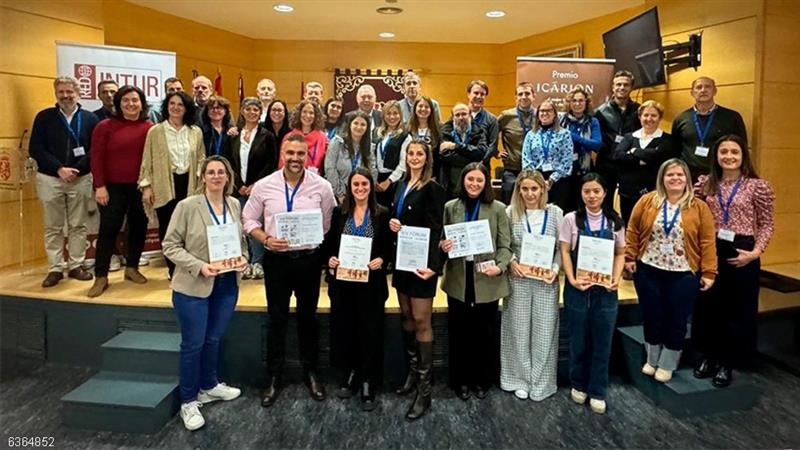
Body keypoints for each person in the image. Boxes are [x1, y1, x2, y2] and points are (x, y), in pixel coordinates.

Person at [242, 134, 337, 406]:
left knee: (308, 319)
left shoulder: (322, 187)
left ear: (307, 156)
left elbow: (327, 223)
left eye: (301, 154)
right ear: (283, 154)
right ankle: (274, 376)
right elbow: (248, 218)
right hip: (276, 261)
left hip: (308, 261)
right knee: (277, 319)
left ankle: (311, 373)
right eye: (290, 153)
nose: (295, 158)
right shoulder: (264, 186)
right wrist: (265, 239)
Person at [161, 155, 247, 431]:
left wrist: (243, 258)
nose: (216, 176)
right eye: (211, 172)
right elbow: (170, 246)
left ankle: (209, 386)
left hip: (226, 284)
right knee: (193, 344)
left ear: (228, 176)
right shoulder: (187, 206)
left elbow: (240, 241)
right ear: (203, 177)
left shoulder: (234, 204)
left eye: (221, 172)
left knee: (213, 339)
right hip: (193, 285)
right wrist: (200, 266)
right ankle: (188, 400)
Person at [625, 158, 717, 383]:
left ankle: (668, 362)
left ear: (687, 179)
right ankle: (652, 358)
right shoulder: (648, 201)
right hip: (649, 268)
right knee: (651, 315)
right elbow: (633, 230)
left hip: (684, 273)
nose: (675, 178)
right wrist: (629, 257)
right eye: (670, 175)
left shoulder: (699, 207)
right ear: (662, 178)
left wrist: (709, 272)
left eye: (679, 175)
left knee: (676, 319)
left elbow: (707, 241)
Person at [692, 135, 774, 387]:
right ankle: (708, 356)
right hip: (712, 248)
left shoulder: (757, 186)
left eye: (734, 152)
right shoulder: (706, 184)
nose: (729, 156)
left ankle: (727, 362)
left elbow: (767, 224)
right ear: (716, 155)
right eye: (724, 151)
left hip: (742, 251)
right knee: (708, 307)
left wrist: (755, 252)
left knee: (735, 309)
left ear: (743, 156)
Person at [440, 162, 511, 400]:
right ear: (463, 181)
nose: (474, 184)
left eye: (479, 180)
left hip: (486, 277)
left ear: (486, 182)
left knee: (484, 331)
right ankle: (460, 380)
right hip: (459, 276)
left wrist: (500, 267)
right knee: (459, 331)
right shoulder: (451, 206)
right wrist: (444, 245)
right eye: (470, 179)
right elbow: (442, 239)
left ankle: (482, 379)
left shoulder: (498, 208)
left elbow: (505, 245)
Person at [323, 168, 391, 411]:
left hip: (371, 285)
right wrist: (330, 260)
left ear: (371, 187)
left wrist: (382, 260)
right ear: (350, 188)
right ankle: (350, 373)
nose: (360, 188)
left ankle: (368, 381)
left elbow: (388, 248)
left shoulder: (382, 213)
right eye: (356, 185)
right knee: (346, 330)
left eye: (364, 184)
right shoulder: (339, 213)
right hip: (344, 284)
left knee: (370, 332)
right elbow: (329, 245)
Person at [389, 139, 447, 421]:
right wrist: (393, 224)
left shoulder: (433, 188)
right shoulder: (401, 185)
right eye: (410, 153)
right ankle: (412, 374)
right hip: (402, 261)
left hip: (422, 265)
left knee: (423, 322)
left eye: (419, 154)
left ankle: (425, 392)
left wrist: (434, 267)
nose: (414, 158)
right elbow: (398, 219)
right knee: (407, 318)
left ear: (427, 158)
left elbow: (438, 230)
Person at [559, 173, 626, 414]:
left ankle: (598, 389)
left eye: (596, 191)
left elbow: (620, 254)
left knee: (602, 343)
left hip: (605, 292)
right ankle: (578, 384)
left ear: (605, 193)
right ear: (581, 193)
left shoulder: (615, 222)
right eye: (587, 191)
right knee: (578, 340)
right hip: (578, 290)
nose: (592, 196)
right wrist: (572, 279)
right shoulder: (570, 220)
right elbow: (565, 251)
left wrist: (616, 279)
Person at [30, 75, 99, 288]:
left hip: (80, 178)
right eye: (62, 92)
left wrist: (77, 169)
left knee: (78, 224)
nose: (66, 96)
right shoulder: (44, 117)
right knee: (53, 226)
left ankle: (76, 265)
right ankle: (55, 268)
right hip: (51, 178)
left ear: (78, 93)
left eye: (70, 92)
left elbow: (95, 150)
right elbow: (36, 149)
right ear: (56, 93)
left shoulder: (89, 119)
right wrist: (59, 169)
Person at [500, 170, 563, 401]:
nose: (529, 194)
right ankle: (518, 379)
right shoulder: (509, 213)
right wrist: (510, 262)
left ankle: (540, 382)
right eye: (524, 189)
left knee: (545, 332)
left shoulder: (555, 213)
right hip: (518, 279)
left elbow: (561, 249)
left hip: (546, 281)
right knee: (517, 330)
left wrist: (555, 270)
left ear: (543, 189)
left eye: (534, 189)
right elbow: (503, 245)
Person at [88, 85, 153, 297]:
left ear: (141, 103)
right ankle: (101, 276)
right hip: (111, 188)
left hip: (139, 187)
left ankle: (132, 268)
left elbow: (153, 160)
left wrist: (148, 187)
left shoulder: (150, 128)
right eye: (125, 100)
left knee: (138, 228)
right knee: (108, 230)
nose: (131, 104)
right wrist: (99, 186)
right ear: (118, 103)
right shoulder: (104, 126)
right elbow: (95, 158)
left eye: (135, 100)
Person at [139, 90, 205, 278]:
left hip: (190, 184)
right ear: (166, 107)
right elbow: (147, 161)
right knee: (169, 228)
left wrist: (202, 179)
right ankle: (173, 270)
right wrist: (146, 186)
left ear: (186, 109)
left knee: (190, 228)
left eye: (180, 104)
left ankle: (189, 267)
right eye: (172, 104)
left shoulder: (195, 132)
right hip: (165, 184)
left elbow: (201, 157)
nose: (176, 108)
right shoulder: (156, 131)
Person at [227, 97, 277, 280]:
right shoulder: (233, 135)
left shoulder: (267, 135)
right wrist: (239, 185)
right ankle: (244, 260)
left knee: (257, 224)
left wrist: (256, 184)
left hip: (259, 189)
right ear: (242, 111)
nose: (252, 112)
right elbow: (229, 162)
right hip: (238, 188)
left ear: (260, 113)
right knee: (240, 225)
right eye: (248, 109)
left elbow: (271, 163)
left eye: (256, 109)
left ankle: (257, 262)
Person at [671, 76, 748, 182]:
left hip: (721, 176)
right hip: (688, 176)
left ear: (715, 91)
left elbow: (742, 147)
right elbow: (675, 150)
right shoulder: (681, 118)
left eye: (707, 87)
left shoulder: (732, 117)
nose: (703, 90)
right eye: (699, 87)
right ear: (692, 93)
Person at [612, 100, 674, 223]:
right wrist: (640, 161)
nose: (649, 118)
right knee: (629, 225)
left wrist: (634, 151)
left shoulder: (667, 139)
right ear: (640, 117)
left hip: (654, 192)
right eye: (645, 115)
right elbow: (617, 156)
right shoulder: (630, 137)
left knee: (650, 225)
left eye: (653, 115)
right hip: (627, 193)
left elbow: (660, 158)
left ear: (660, 118)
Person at [595, 70, 641, 209]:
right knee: (604, 203)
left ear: (631, 87)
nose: (622, 87)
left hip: (629, 164)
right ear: (613, 87)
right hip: (606, 163)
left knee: (630, 205)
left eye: (626, 85)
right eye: (618, 84)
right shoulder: (600, 111)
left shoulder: (639, 111)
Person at [521, 99, 574, 211]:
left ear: (555, 114)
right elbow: (526, 159)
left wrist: (551, 180)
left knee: (558, 213)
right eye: (542, 111)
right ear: (538, 114)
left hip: (558, 180)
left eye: (548, 111)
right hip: (535, 180)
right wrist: (538, 180)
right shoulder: (531, 135)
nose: (545, 113)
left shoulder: (564, 134)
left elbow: (567, 161)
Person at [560, 87, 602, 213]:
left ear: (586, 103)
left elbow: (596, 145)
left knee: (582, 209)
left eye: (581, 101)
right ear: (569, 103)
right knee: (564, 208)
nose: (577, 104)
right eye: (574, 101)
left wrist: (573, 137)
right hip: (564, 172)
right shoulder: (561, 121)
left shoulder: (592, 122)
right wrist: (585, 143)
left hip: (585, 171)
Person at [324, 111, 378, 202]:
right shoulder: (337, 142)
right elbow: (330, 168)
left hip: (361, 194)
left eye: (363, 124)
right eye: (356, 123)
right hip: (340, 194)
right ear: (349, 125)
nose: (359, 127)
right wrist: (340, 194)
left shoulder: (369, 147)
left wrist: (366, 192)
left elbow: (372, 171)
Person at [498, 82, 536, 203]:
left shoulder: (540, 115)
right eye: (520, 94)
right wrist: (496, 152)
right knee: (510, 203)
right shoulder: (506, 116)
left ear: (533, 96)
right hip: (512, 168)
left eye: (527, 93)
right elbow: (490, 135)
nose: (524, 97)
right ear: (515, 97)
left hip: (535, 170)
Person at [439, 103, 488, 197]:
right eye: (457, 115)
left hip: (474, 184)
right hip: (450, 184)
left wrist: (456, 146)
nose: (461, 118)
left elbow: (481, 152)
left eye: (464, 114)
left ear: (470, 115)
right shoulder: (445, 131)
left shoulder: (479, 130)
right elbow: (445, 156)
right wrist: (471, 159)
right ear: (453, 117)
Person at [373, 100, 410, 207]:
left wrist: (389, 181)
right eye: (388, 113)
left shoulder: (405, 136)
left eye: (395, 113)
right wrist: (374, 178)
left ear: (400, 115)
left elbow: (404, 163)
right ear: (383, 116)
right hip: (377, 178)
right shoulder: (377, 132)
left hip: (395, 180)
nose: (392, 117)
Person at [281, 99, 328, 174]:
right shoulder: (289, 137)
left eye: (311, 113)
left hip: (316, 180)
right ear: (299, 114)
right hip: (293, 178)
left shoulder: (322, 137)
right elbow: (282, 163)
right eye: (304, 112)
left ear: (316, 116)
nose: (308, 115)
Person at [407, 96, 442, 182]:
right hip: (411, 175)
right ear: (415, 109)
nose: (423, 109)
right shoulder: (407, 128)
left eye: (427, 107)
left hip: (432, 176)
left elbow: (439, 155)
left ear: (431, 110)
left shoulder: (439, 129)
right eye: (420, 106)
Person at [466, 80, 499, 165]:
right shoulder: (458, 115)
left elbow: (492, 146)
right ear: (468, 94)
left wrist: (481, 162)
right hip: (460, 166)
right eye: (476, 93)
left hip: (483, 166)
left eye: (482, 94)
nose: (479, 96)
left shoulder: (492, 119)